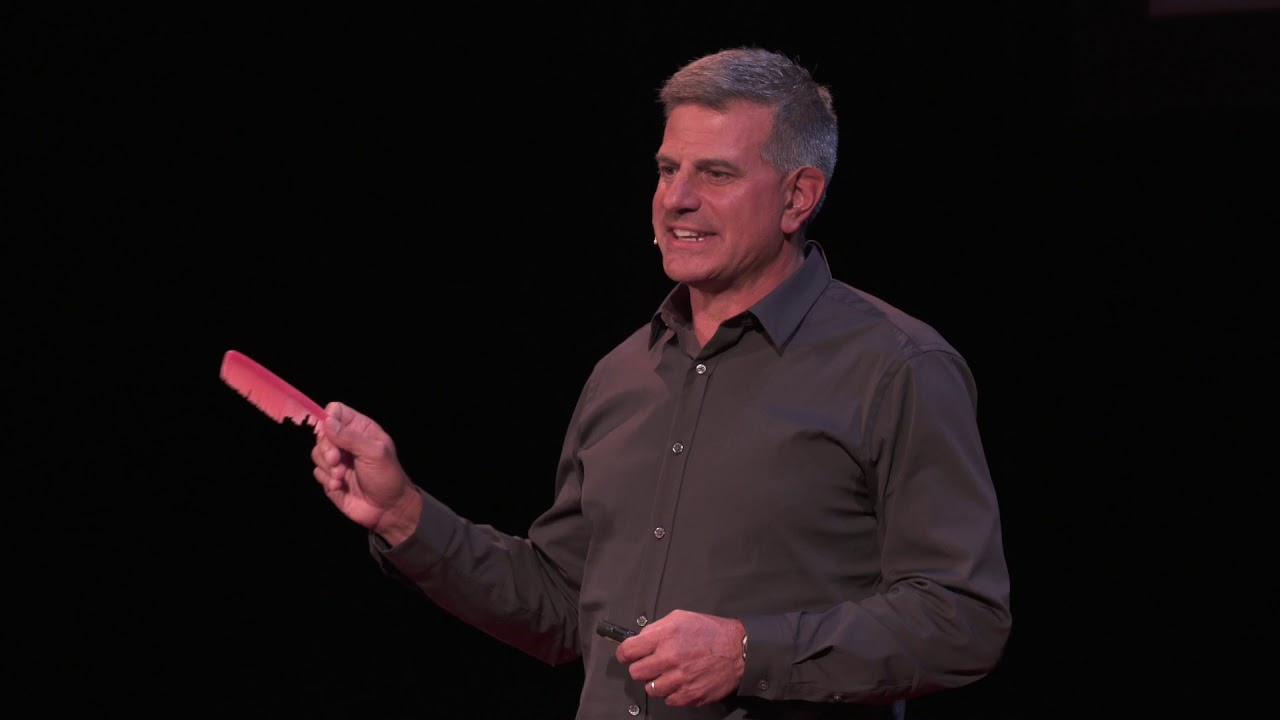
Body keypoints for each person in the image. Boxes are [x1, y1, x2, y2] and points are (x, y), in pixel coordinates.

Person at [310, 46, 1011, 719]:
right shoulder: (623, 375)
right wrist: (403, 515)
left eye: (716, 174)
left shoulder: (897, 366)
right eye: (667, 169)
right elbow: (563, 606)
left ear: (798, 197)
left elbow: (963, 619)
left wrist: (748, 653)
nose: (676, 199)